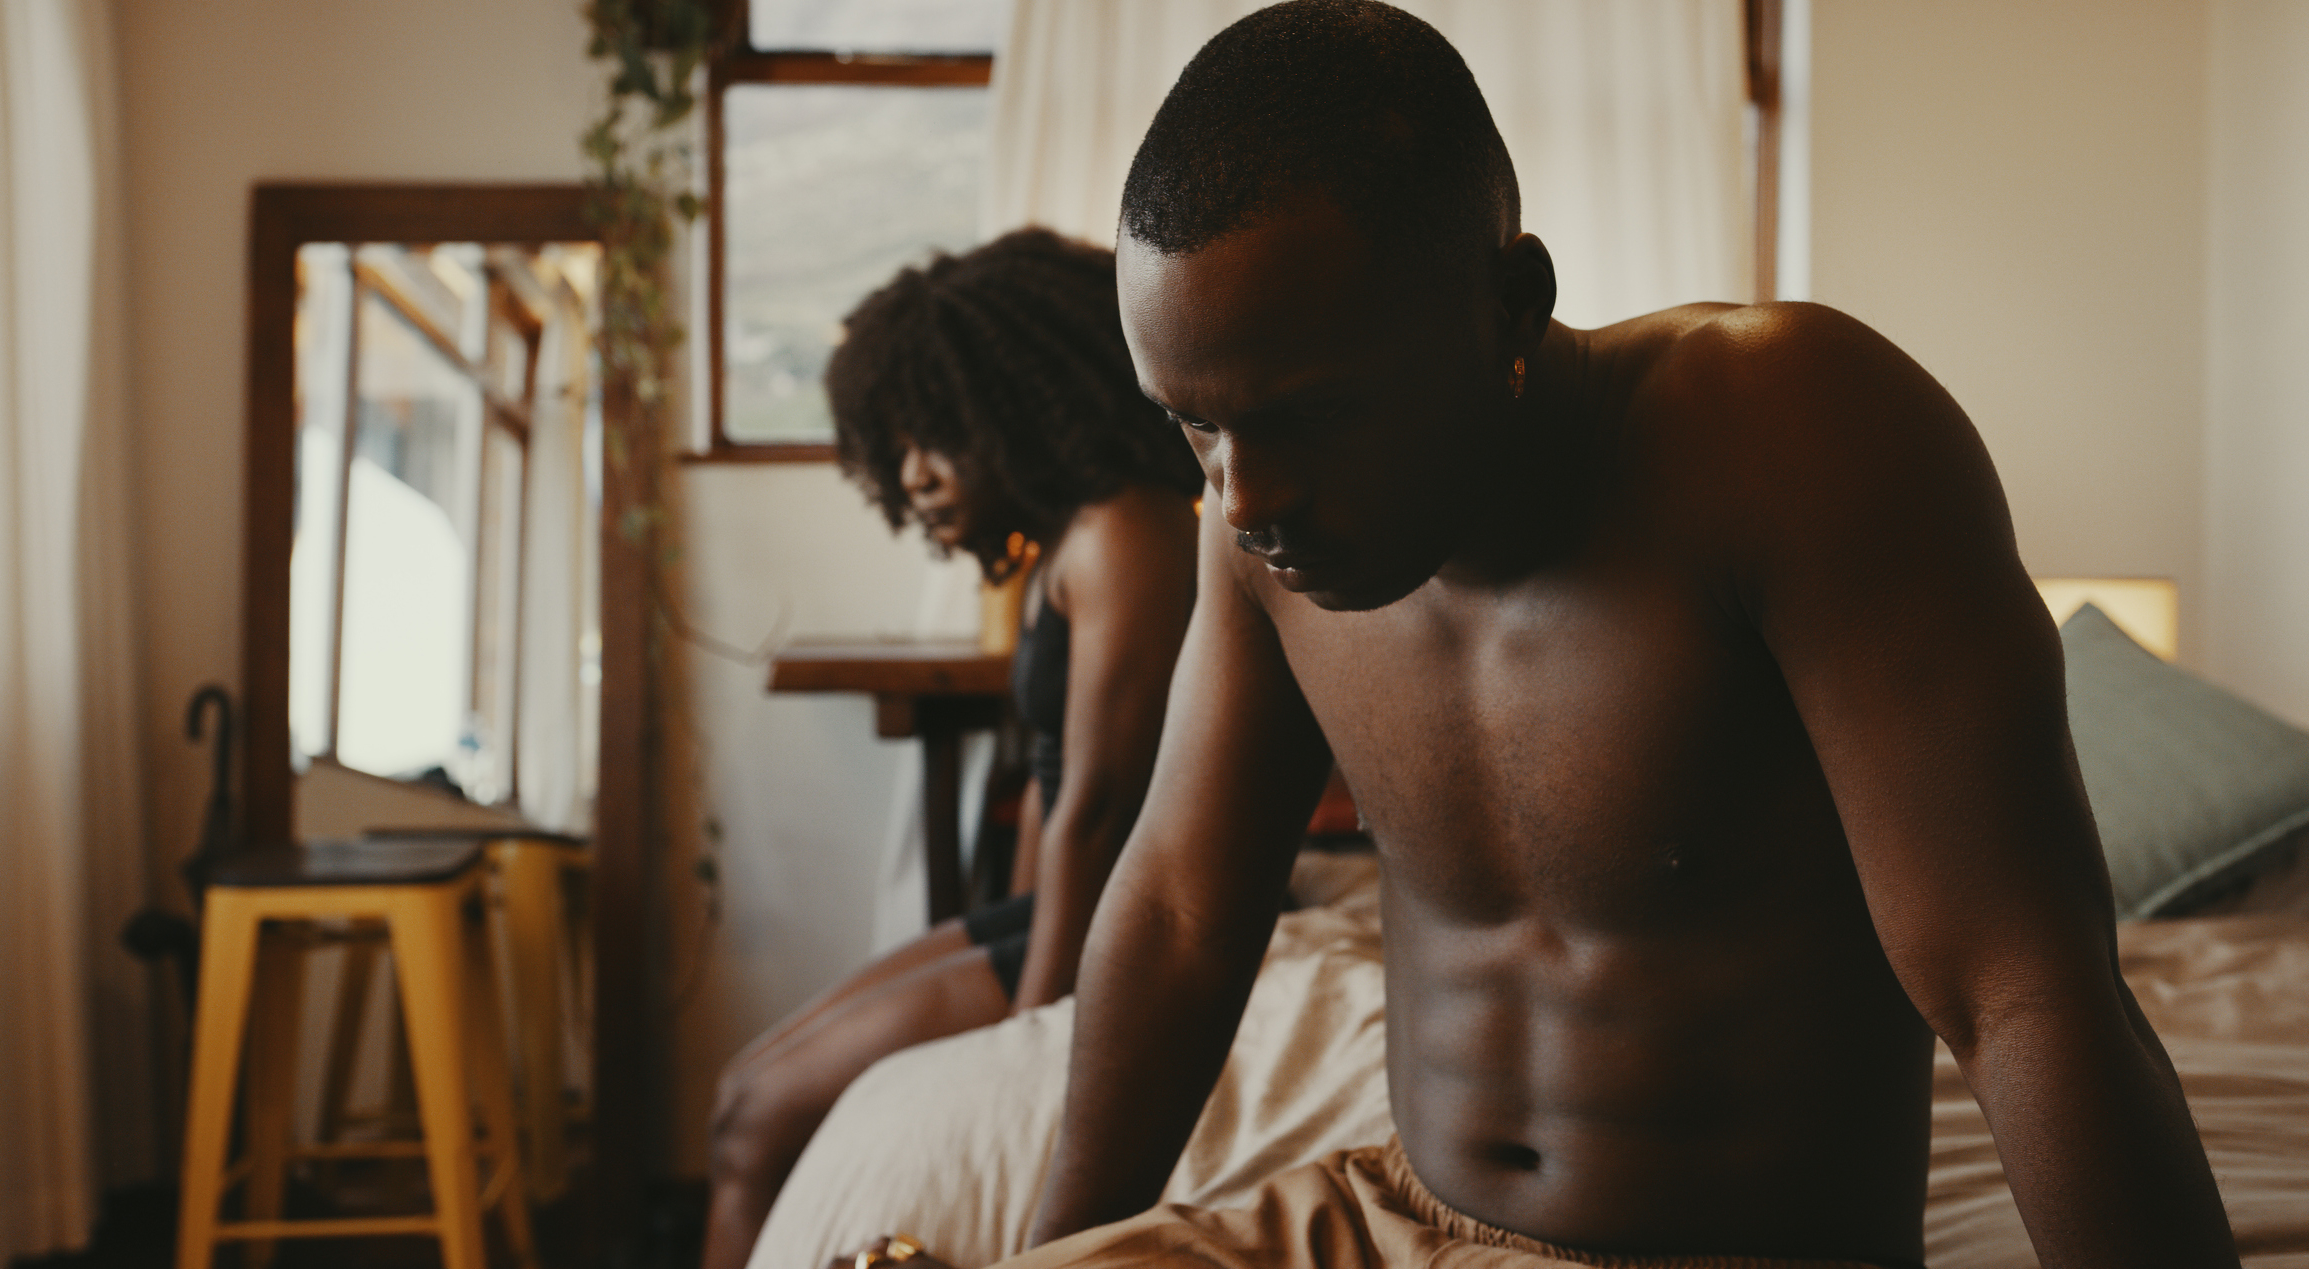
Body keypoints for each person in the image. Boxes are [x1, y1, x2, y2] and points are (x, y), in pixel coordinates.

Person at [848, 4, 2242, 1268]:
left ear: (1510, 305)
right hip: (1384, 1214)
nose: (1241, 497)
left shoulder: (1795, 437)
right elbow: (1179, 910)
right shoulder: (1252, 530)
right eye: (1192, 423)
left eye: (1306, 415)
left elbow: (2020, 990)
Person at [702, 228, 1203, 1269]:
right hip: (1068, 906)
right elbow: (1056, 796)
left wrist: (1030, 1033)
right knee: (743, 1099)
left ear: (1011, 406)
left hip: (1121, 911)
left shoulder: (1125, 529)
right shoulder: (1067, 538)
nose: (918, 479)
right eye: (898, 454)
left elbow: (1100, 805)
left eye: (935, 438)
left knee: (753, 1123)